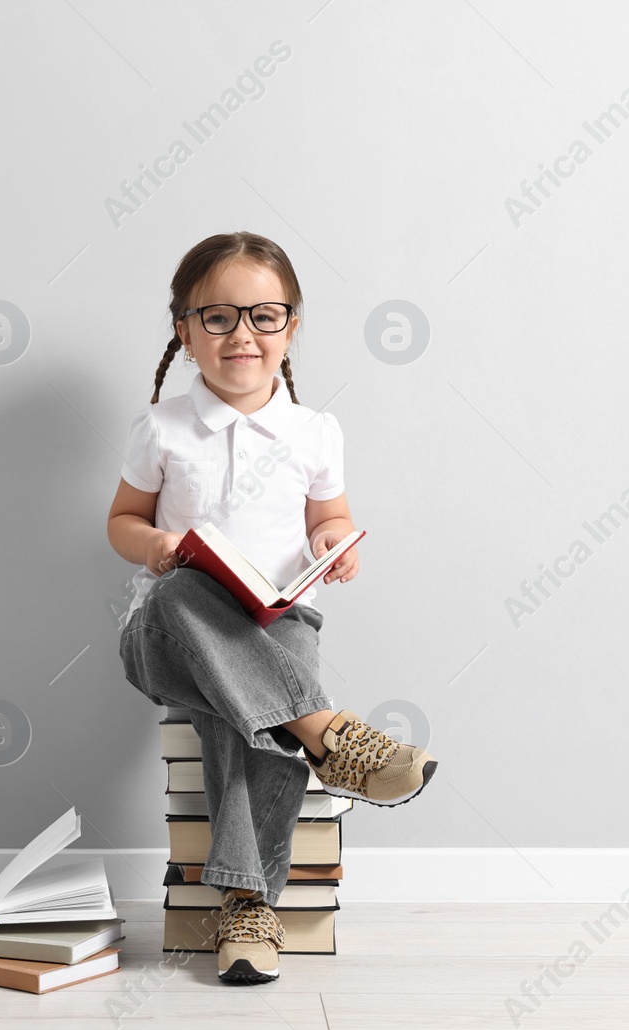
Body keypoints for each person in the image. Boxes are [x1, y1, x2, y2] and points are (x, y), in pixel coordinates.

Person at [107, 231, 439, 984]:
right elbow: (120, 520)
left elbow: (330, 513)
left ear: (292, 326)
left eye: (264, 315)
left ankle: (248, 907)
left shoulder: (315, 429)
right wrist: (155, 544)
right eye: (217, 317)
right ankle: (331, 736)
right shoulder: (161, 427)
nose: (242, 334)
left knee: (240, 712)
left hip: (280, 625)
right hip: (168, 629)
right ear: (184, 331)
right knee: (186, 591)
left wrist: (336, 541)